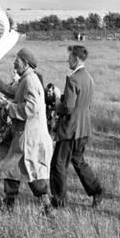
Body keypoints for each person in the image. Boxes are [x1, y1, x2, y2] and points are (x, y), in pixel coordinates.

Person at [0, 48, 53, 212]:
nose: (14, 63)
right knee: (13, 167)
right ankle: (9, 205)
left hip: (29, 136)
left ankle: (46, 206)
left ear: (25, 62)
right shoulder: (26, 78)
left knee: (30, 170)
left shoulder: (30, 80)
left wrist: (9, 107)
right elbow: (12, 91)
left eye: (17, 60)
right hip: (24, 135)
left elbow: (31, 108)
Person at [50, 45, 103, 208]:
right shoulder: (88, 77)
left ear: (76, 58)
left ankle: (59, 201)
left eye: (70, 57)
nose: (68, 59)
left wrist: (58, 99)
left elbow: (68, 107)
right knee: (78, 161)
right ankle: (97, 190)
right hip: (84, 128)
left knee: (58, 164)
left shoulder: (73, 79)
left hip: (70, 130)